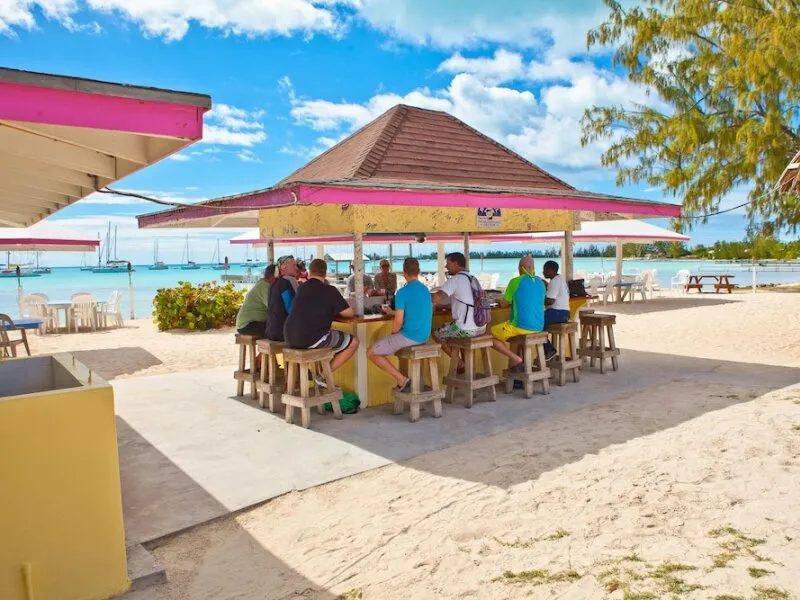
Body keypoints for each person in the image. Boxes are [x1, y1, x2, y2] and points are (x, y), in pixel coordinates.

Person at [284, 259, 359, 388]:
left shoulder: (301, 288)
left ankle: (316, 373)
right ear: (325, 273)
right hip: (311, 339)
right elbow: (349, 314)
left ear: (309, 272)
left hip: (289, 337)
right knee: (354, 342)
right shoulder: (330, 290)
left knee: (324, 335)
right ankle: (323, 375)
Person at [367, 257, 432, 392]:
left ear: (404, 273)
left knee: (371, 352)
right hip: (424, 336)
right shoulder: (425, 290)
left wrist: (394, 334)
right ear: (418, 272)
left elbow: (399, 321)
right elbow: (412, 311)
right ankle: (406, 380)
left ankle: (402, 379)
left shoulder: (402, 292)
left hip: (409, 337)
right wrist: (393, 312)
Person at [489, 256, 555, 368]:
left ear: (520, 268)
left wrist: (500, 300)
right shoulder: (541, 283)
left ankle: (515, 358)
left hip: (519, 326)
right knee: (518, 342)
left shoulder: (515, 281)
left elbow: (504, 304)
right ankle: (521, 365)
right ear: (533, 268)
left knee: (487, 335)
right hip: (538, 326)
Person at [432, 252, 486, 367]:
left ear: (456, 263)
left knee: (436, 333)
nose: (446, 266)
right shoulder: (472, 278)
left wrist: (421, 295)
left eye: (448, 263)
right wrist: (441, 306)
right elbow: (463, 301)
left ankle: (460, 363)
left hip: (466, 330)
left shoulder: (456, 280)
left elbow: (436, 298)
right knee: (455, 331)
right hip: (481, 327)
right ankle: (465, 366)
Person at [264, 255, 299, 341]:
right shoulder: (288, 281)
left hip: (271, 331)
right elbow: (292, 309)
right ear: (283, 268)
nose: (296, 268)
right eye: (293, 265)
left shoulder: (274, 284)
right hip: (282, 333)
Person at [235, 264, 276, 336]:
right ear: (274, 276)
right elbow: (273, 308)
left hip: (248, 324)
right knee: (276, 331)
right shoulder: (265, 286)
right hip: (247, 325)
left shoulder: (262, 284)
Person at [542, 260, 571, 355]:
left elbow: (550, 301)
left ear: (551, 270)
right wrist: (547, 286)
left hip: (557, 313)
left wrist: (536, 301)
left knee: (536, 322)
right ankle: (545, 351)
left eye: (545, 270)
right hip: (565, 314)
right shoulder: (559, 279)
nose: (543, 272)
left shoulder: (554, 282)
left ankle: (549, 349)